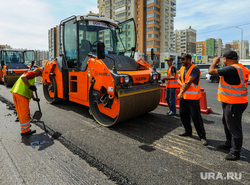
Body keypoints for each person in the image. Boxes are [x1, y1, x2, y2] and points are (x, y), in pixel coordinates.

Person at [208, 51, 249, 160]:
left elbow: (211, 71)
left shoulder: (232, 68)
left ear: (226, 59)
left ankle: (235, 152)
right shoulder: (240, 68)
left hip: (234, 103)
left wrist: (214, 62)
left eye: (223, 59)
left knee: (234, 128)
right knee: (227, 123)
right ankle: (229, 144)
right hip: (233, 101)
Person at [177, 53, 207, 146]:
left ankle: (202, 137)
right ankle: (188, 131)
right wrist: (181, 85)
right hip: (184, 97)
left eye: (183, 59)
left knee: (196, 117)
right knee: (183, 114)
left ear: (189, 60)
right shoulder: (182, 68)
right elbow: (178, 79)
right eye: (181, 59)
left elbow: (189, 82)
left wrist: (180, 92)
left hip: (193, 98)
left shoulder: (195, 68)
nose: (181, 61)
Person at [11, 67, 43, 136]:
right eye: (39, 74)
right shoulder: (32, 73)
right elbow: (23, 78)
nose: (38, 76)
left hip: (17, 93)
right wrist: (30, 86)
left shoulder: (29, 74)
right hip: (21, 95)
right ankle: (25, 130)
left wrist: (34, 98)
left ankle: (25, 127)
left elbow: (29, 89)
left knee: (21, 112)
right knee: (24, 112)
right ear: (38, 71)